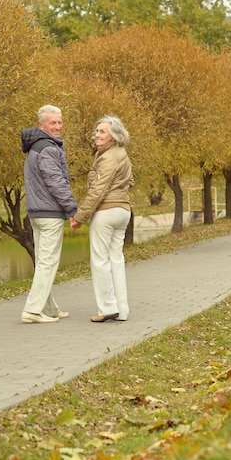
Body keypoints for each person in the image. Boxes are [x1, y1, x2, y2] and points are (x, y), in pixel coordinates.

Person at [70, 115, 133, 322]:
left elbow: (98, 190)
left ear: (113, 136)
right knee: (116, 259)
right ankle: (122, 310)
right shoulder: (122, 154)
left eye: (102, 132)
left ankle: (107, 308)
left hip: (106, 212)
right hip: (123, 211)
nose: (97, 135)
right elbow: (129, 181)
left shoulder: (108, 157)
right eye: (96, 131)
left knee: (100, 260)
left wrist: (80, 216)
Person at [21, 105, 77, 324]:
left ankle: (49, 308)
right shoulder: (48, 148)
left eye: (60, 122)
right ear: (41, 125)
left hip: (37, 212)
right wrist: (71, 209)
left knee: (44, 261)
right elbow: (56, 182)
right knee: (47, 262)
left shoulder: (36, 146)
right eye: (53, 123)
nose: (57, 126)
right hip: (49, 213)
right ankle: (33, 310)